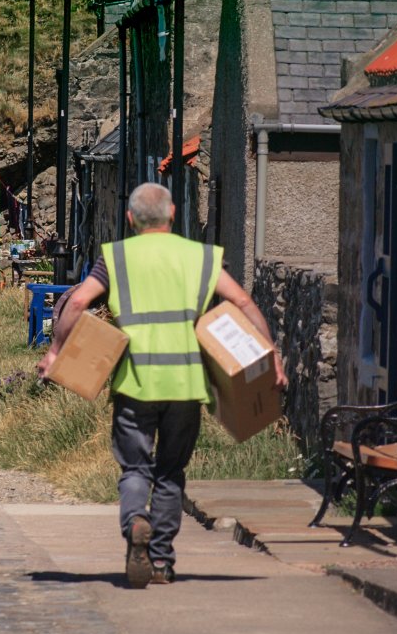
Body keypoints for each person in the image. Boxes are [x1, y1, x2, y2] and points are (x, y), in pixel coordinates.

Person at [38, 182, 287, 589]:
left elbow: (78, 302)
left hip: (135, 383)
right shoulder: (202, 258)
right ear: (173, 215)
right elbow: (242, 303)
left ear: (130, 218)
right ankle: (161, 563)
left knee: (136, 468)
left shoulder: (116, 257)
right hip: (186, 385)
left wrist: (56, 352)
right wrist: (270, 355)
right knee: (170, 473)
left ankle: (137, 520)